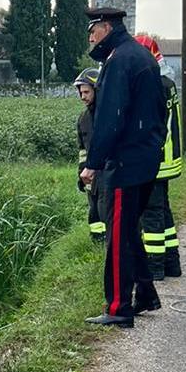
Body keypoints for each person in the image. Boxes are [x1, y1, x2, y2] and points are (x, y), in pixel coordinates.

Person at [80, 8, 167, 328]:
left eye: (93, 30)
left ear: (106, 28)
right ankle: (145, 294)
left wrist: (92, 164)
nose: (90, 37)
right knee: (129, 231)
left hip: (126, 162)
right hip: (145, 159)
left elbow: (109, 119)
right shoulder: (142, 56)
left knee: (117, 236)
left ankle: (118, 307)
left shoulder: (118, 61)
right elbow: (159, 111)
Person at [135, 35, 183, 280]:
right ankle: (172, 264)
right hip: (167, 157)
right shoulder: (167, 82)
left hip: (155, 159)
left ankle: (155, 268)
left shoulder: (155, 83)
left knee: (151, 213)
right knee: (163, 210)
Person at [74, 66, 105, 243]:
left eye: (86, 92)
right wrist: (81, 173)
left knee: (104, 209)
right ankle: (97, 242)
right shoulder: (83, 119)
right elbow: (82, 151)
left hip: (106, 173)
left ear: (97, 89)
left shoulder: (107, 114)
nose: (82, 97)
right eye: (80, 92)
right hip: (89, 176)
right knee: (93, 211)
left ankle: (110, 244)